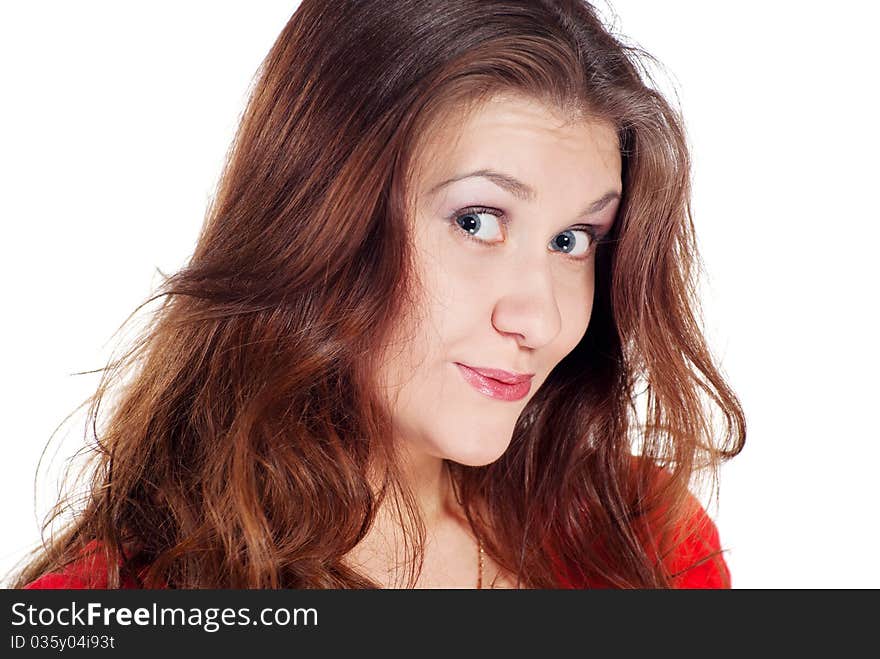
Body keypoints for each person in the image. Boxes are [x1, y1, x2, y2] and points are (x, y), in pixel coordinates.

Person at [12, 0, 745, 590]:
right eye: (477, 221)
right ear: (319, 216)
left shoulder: (643, 540)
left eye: (573, 239)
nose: (541, 317)